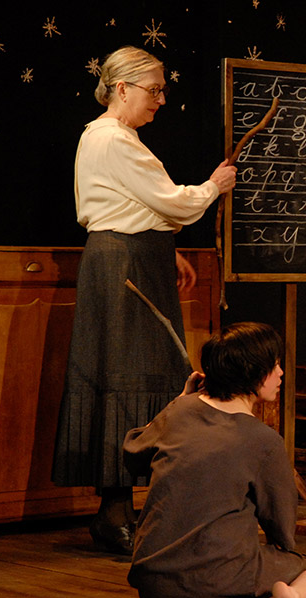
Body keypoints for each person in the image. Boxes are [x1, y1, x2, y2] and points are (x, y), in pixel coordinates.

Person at [52, 45, 237, 554]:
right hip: (123, 267)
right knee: (123, 377)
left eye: (163, 90)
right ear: (122, 87)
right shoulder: (112, 139)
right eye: (154, 89)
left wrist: (165, 244)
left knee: (141, 377)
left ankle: (125, 509)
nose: (160, 100)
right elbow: (169, 199)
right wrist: (213, 188)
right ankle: (114, 515)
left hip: (135, 258)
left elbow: (138, 205)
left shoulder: (118, 139)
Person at [124, 322, 306, 598]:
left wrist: (181, 400)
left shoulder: (180, 411)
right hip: (213, 586)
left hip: (153, 588)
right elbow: (281, 526)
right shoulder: (263, 441)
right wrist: (283, 559)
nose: (281, 373)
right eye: (274, 365)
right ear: (253, 373)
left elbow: (133, 456)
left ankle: (276, 596)